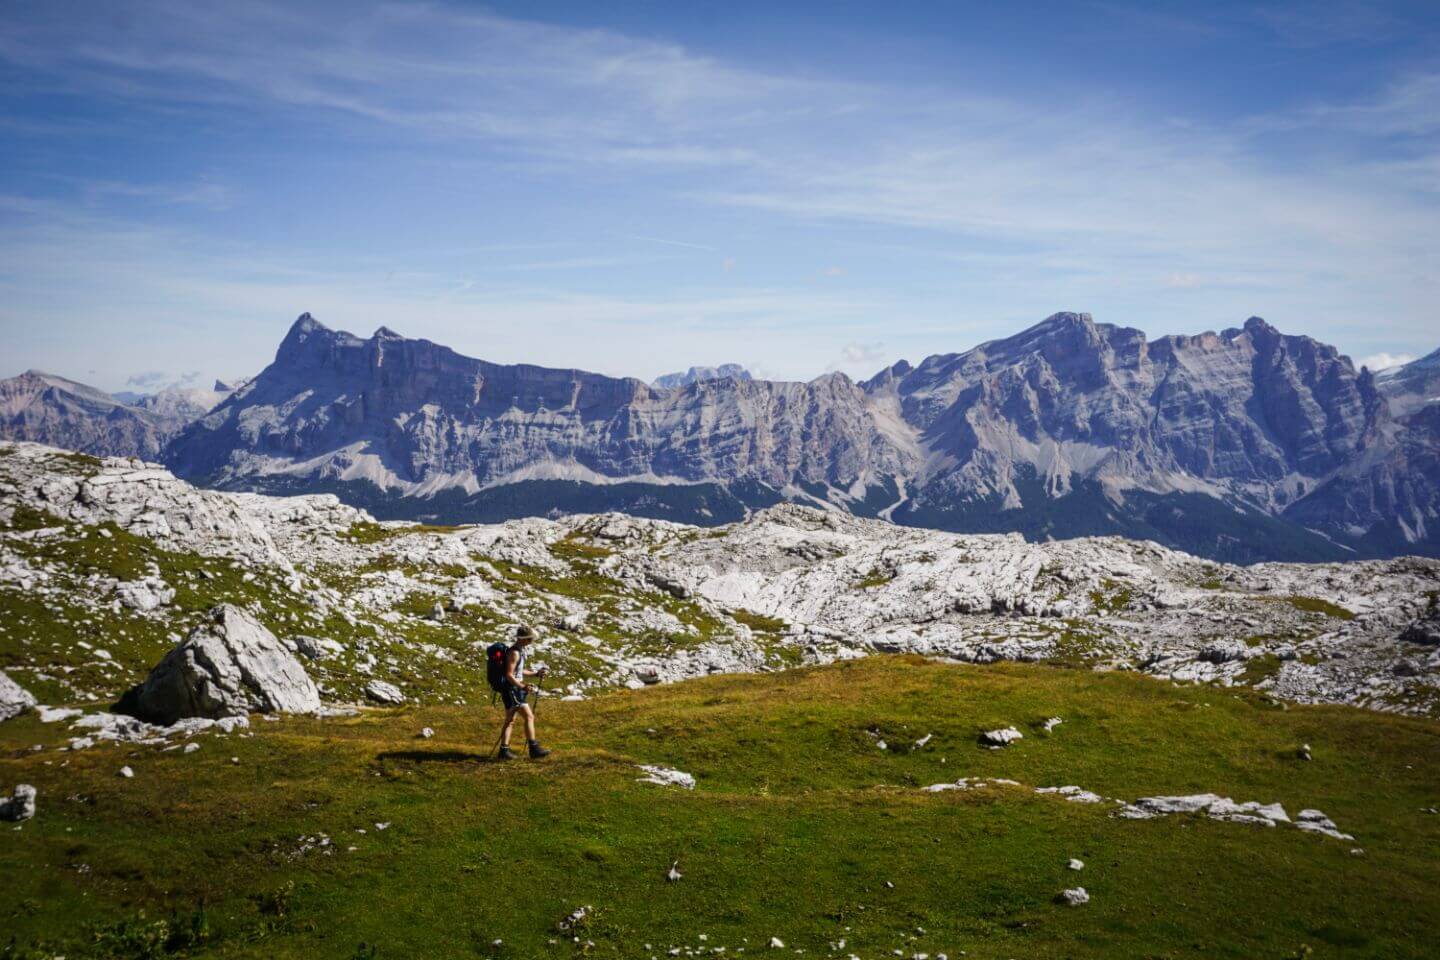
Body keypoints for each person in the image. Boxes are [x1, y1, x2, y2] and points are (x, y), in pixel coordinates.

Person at [497, 625, 550, 760]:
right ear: (524, 639)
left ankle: (504, 751)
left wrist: (535, 673)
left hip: (513, 690)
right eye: (530, 639)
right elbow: (509, 674)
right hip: (513, 690)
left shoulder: (519, 651)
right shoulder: (514, 652)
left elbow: (518, 671)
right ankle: (534, 749)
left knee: (511, 720)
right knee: (528, 716)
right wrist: (522, 687)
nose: (531, 642)